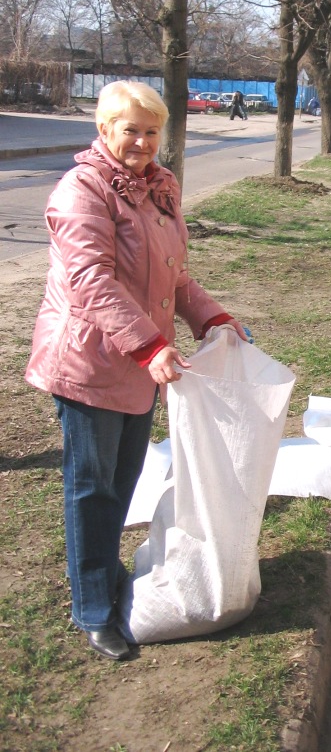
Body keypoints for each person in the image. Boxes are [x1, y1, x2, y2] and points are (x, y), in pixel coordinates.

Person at [25, 81, 248, 662]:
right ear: (103, 130)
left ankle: (105, 577)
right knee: (92, 487)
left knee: (122, 482)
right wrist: (150, 347)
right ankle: (94, 609)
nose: (143, 143)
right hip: (93, 360)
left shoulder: (161, 187)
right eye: (131, 130)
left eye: (152, 131)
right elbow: (90, 282)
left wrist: (210, 316)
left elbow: (172, 274)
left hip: (145, 361)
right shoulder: (82, 190)